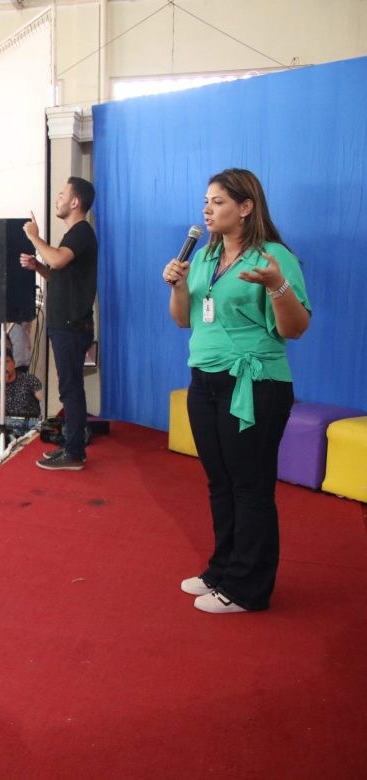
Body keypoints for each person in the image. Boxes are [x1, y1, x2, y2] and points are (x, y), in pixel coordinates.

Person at [162, 168, 310, 614]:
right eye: (205, 201)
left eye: (218, 202)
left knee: (250, 487)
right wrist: (176, 286)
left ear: (246, 207)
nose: (207, 209)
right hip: (204, 381)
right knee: (220, 482)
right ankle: (222, 569)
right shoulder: (204, 257)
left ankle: (248, 588)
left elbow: (296, 327)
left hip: (254, 384)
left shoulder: (273, 256)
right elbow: (183, 319)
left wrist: (275, 286)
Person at [20, 176, 98, 471]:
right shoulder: (72, 236)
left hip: (71, 324)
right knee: (69, 388)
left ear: (75, 202)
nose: (58, 198)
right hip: (64, 322)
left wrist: (34, 237)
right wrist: (38, 265)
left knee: (71, 390)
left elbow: (58, 261)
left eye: (63, 194)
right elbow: (58, 272)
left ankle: (75, 452)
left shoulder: (80, 232)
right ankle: (70, 445)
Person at [0, 348, 42, 419]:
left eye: (7, 362)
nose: (3, 366)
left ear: (14, 363)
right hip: (4, 425)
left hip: (29, 424)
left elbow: (44, 400)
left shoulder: (29, 379)